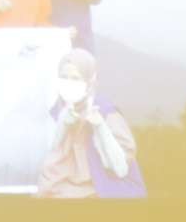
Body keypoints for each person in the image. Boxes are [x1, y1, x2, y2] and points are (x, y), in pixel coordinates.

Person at [37, 49, 143, 198]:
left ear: (89, 81)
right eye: (64, 77)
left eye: (75, 78)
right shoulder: (57, 110)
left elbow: (120, 167)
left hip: (103, 188)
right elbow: (51, 153)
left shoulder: (105, 112)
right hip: (62, 187)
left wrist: (100, 126)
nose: (69, 83)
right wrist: (63, 124)